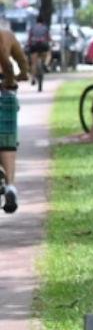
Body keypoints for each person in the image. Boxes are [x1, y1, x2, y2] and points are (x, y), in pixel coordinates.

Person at [0, 28, 30, 213]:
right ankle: (10, 186)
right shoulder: (7, 35)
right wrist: (19, 76)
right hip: (6, 93)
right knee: (7, 142)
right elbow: (20, 63)